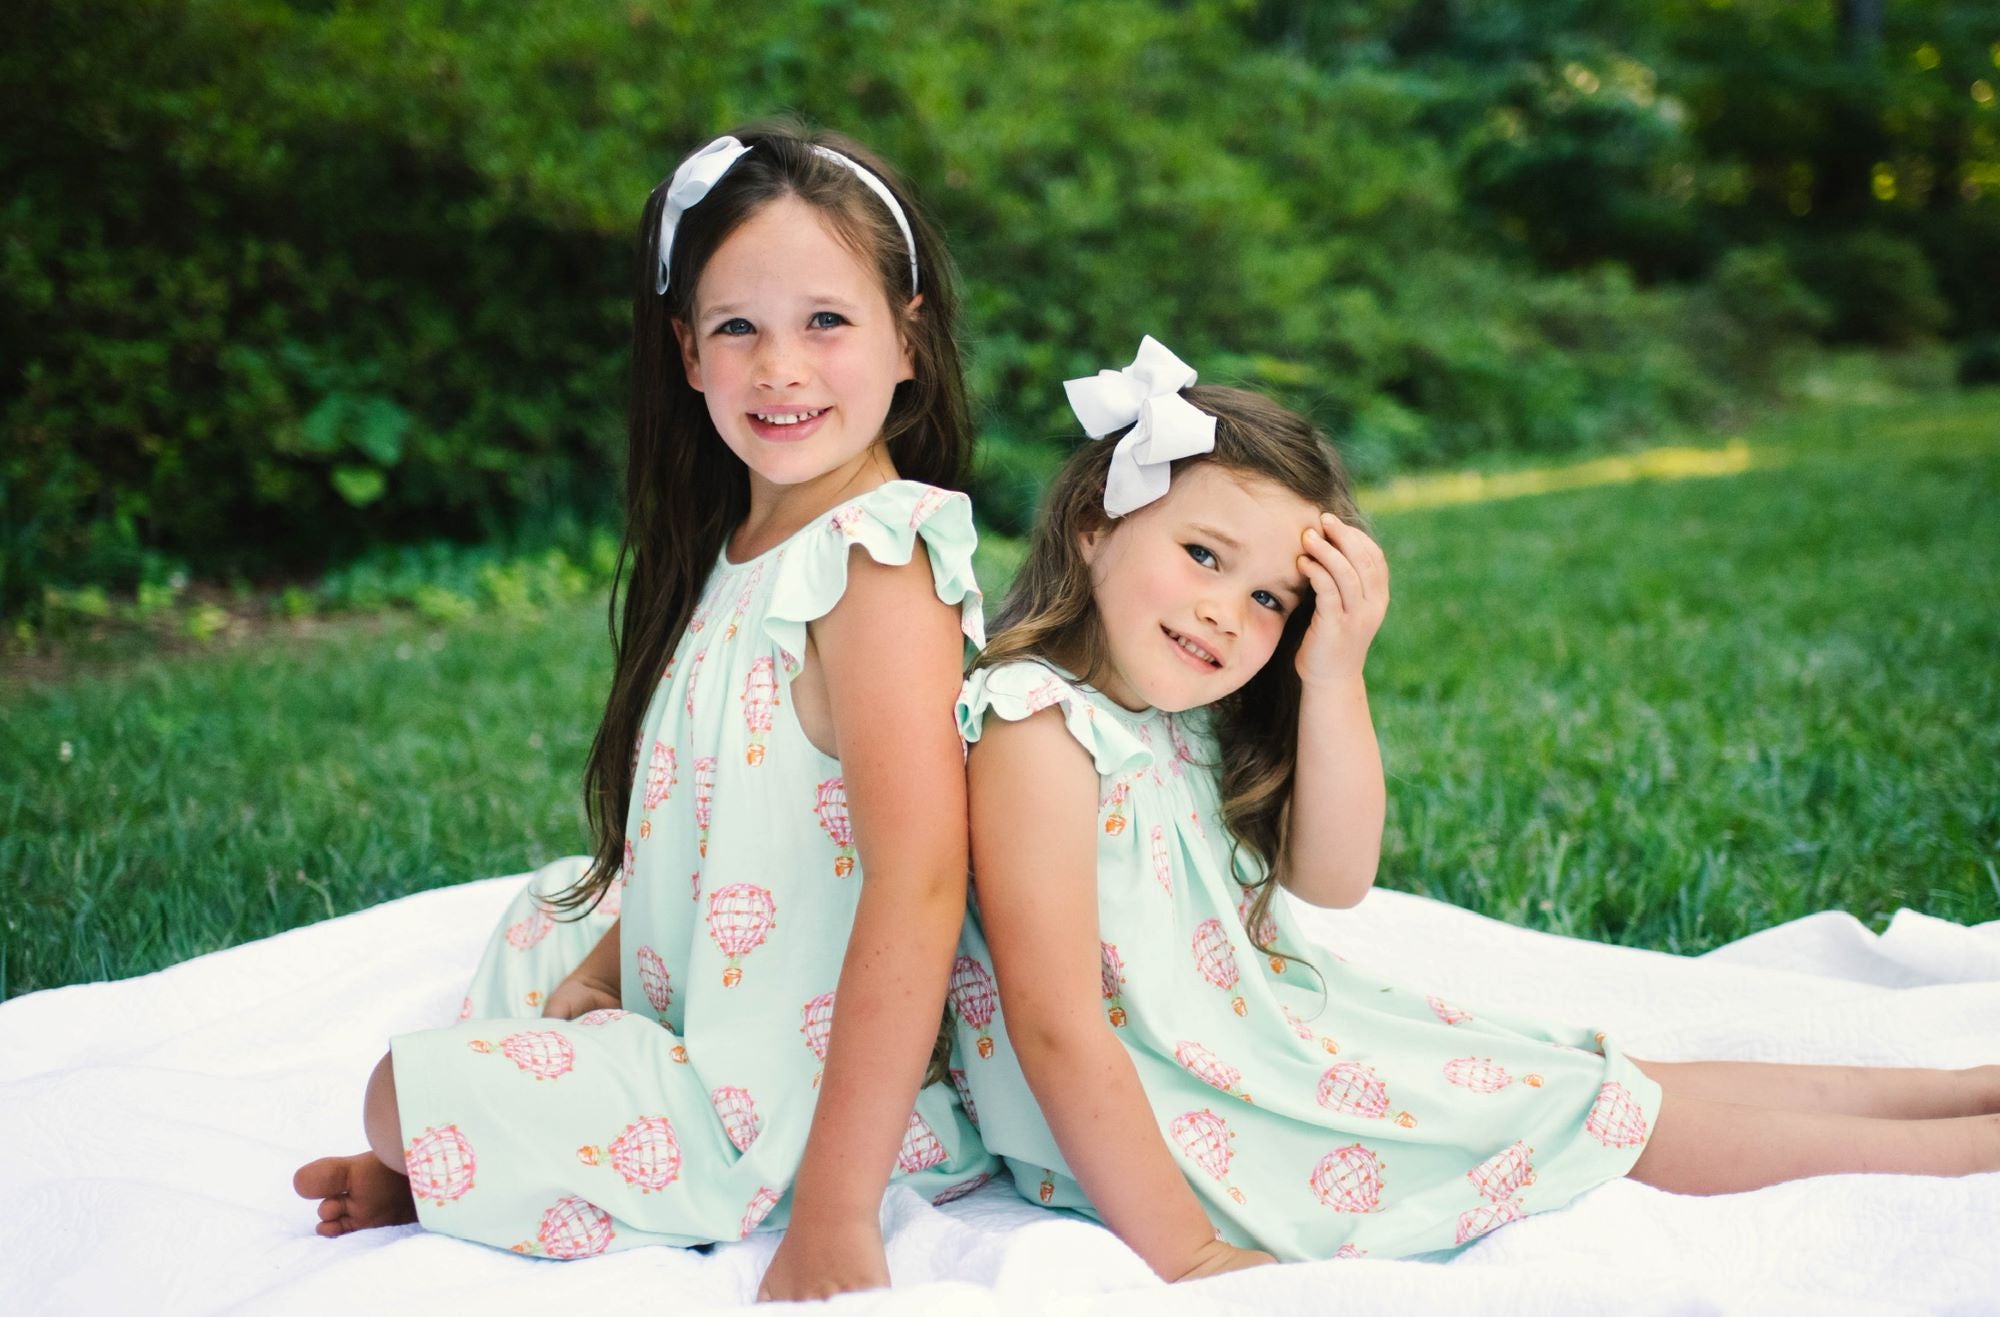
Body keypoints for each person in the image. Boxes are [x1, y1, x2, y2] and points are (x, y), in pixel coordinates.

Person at [942, 335, 2000, 1280]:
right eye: (1202, 556)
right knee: (1578, 1113)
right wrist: (1186, 1249)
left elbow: (1332, 877)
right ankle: (1961, 1149)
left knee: (1586, 1073)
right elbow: (1053, 1022)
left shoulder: (1172, 715)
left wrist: (1334, 672)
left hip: (1260, 1051)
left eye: (1268, 597)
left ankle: (1962, 1090)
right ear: (1092, 523)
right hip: (1181, 1125)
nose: (1226, 610)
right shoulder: (1036, 724)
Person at [294, 123, 995, 1298]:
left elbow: (920, 879)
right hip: (714, 998)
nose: (780, 367)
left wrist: (833, 1213)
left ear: (907, 339)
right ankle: (494, 1156)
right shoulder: (747, 542)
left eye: (826, 321)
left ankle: (497, 1155)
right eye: (738, 328)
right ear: (686, 354)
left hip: (790, 1088)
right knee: (549, 919)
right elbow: (717, 821)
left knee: (398, 1096)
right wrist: (614, 970)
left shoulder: (878, 561)